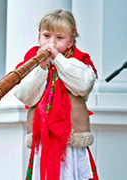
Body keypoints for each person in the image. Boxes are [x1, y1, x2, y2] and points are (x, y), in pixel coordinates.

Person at [13, 9, 99, 180]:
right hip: (43, 138)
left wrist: (58, 59)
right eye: (46, 36)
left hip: (71, 139)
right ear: (39, 37)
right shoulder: (32, 60)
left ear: (70, 41)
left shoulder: (79, 61)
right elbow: (25, 95)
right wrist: (41, 68)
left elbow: (82, 86)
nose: (51, 42)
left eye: (59, 38)